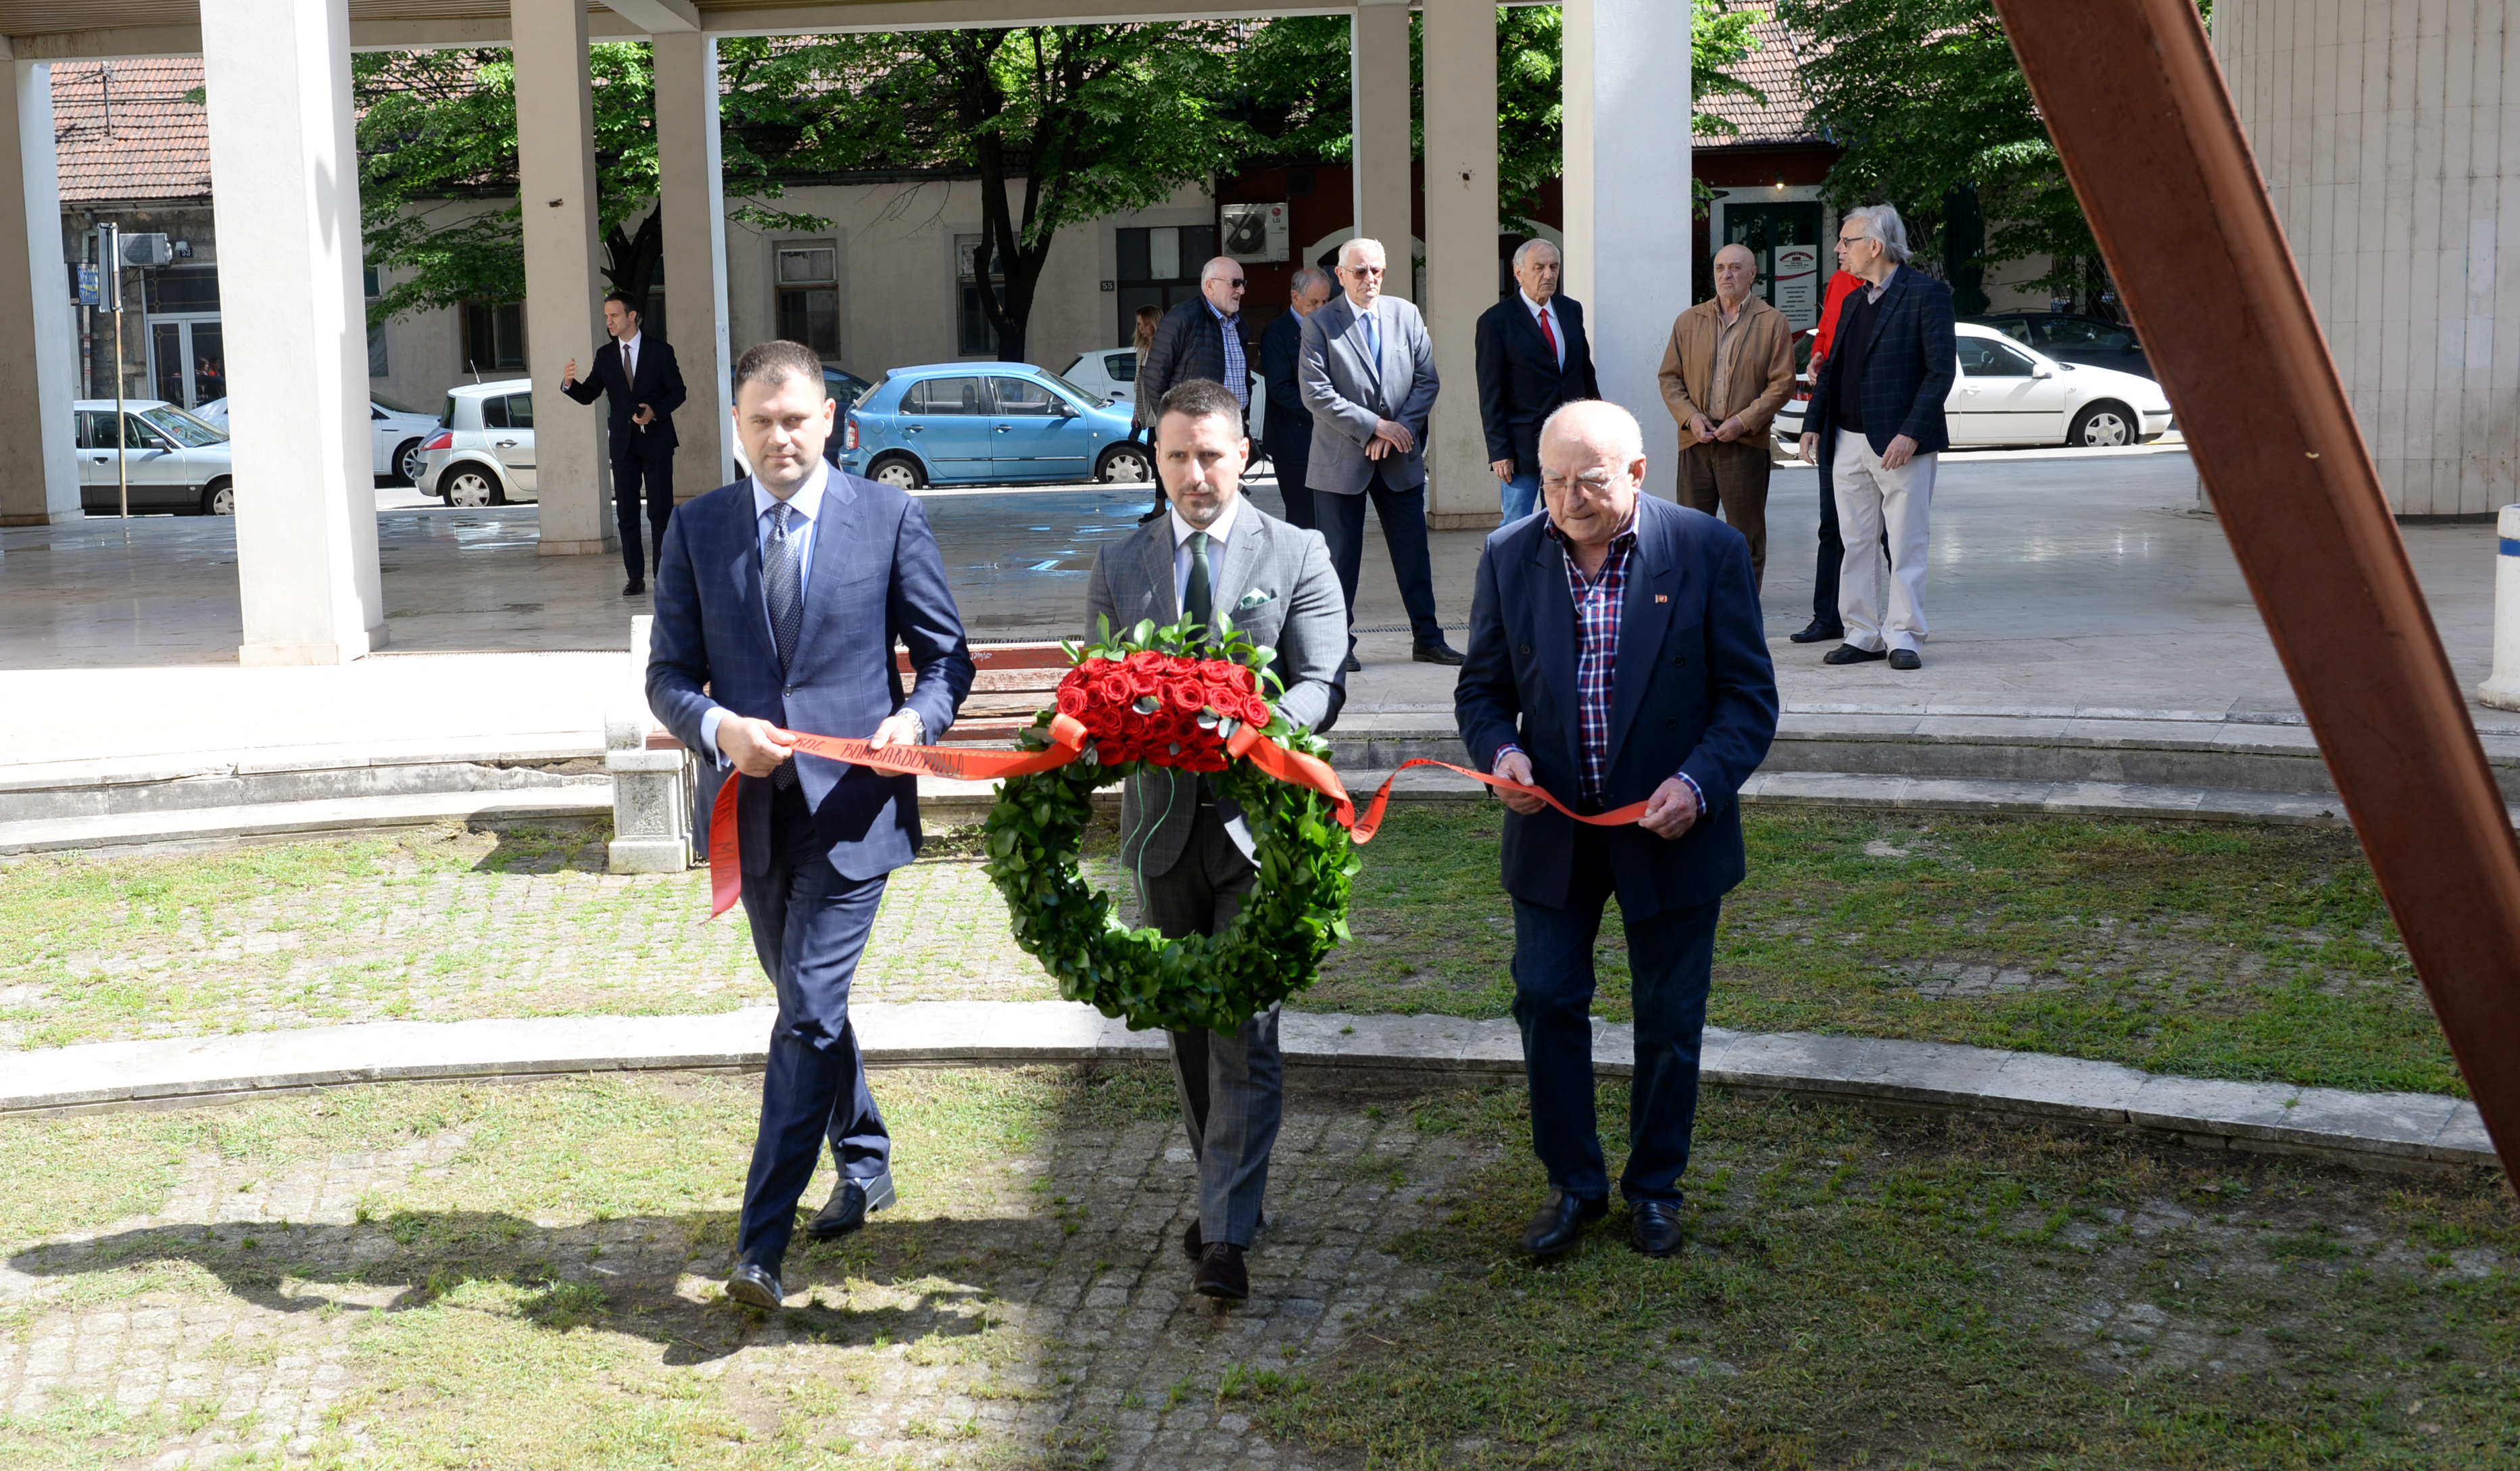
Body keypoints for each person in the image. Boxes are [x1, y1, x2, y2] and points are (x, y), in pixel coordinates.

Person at [646, 339, 976, 1312]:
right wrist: (717, 728)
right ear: (738, 426)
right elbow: (667, 675)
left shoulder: (889, 515)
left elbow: (948, 658)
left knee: (803, 1013)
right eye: (762, 422)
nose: (780, 437)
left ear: (830, 419)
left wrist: (914, 722)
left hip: (855, 816)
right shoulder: (698, 528)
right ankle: (865, 1159)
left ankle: (758, 1247)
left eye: (797, 419)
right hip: (753, 815)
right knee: (810, 1004)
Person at [1453, 399, 1778, 1262]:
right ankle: (1573, 1183)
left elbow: (1748, 698)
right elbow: (1480, 691)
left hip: (1669, 831)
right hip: (1553, 829)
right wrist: (1502, 756)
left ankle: (1654, 1188)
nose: (1566, 500)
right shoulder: (1508, 555)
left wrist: (1698, 784)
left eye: (1589, 482)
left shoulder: (1705, 551)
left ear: (1636, 474)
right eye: (1553, 481)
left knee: (1668, 1016)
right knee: (1546, 999)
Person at [1084, 377, 1347, 1302]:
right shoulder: (1120, 563)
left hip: (1256, 833)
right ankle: (1224, 1185)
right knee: (1188, 1022)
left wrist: (1264, 727)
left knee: (1246, 1025)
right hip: (1160, 831)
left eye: (1210, 454)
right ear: (1156, 461)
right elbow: (1098, 689)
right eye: (1177, 457)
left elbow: (1324, 680)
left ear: (1244, 454)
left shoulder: (1300, 550)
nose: (1195, 474)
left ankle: (1226, 1234)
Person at [1798, 203, 1956, 671]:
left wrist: (1911, 433)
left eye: (1846, 241)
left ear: (1874, 245)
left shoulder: (1927, 295)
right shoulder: (1851, 299)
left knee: (1907, 541)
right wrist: (1812, 424)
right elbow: (1832, 371)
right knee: (1856, 540)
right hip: (1847, 439)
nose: (1838, 249)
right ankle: (1863, 633)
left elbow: (1939, 372)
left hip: (1899, 444)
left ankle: (1904, 635)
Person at [1298, 237, 1461, 669]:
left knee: (1414, 556)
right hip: (1340, 461)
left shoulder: (1405, 314)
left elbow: (1427, 380)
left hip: (1398, 458)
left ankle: (1428, 639)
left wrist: (1395, 431)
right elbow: (1316, 394)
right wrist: (1374, 426)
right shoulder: (1319, 324)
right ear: (1340, 275)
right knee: (1339, 560)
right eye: (1360, 271)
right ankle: (1338, 646)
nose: (1370, 279)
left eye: (1377, 271)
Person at [1657, 243, 1795, 589]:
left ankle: (1741, 613)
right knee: (1689, 534)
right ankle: (1692, 608)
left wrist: (1743, 421)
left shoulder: (1772, 322)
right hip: (1697, 441)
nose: (1726, 275)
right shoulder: (1689, 321)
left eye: (1735, 268)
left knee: (1745, 538)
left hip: (1745, 443)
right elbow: (1670, 378)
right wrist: (1690, 417)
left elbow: (1781, 385)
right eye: (1720, 268)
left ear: (1753, 274)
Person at [563, 291, 689, 596]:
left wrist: (653, 412)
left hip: (657, 442)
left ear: (632, 316)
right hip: (623, 445)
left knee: (660, 513)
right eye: (607, 316)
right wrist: (569, 384)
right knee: (627, 515)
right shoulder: (606, 356)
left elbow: (678, 391)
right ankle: (635, 578)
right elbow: (589, 393)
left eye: (615, 315)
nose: (609, 321)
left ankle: (663, 576)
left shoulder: (660, 351)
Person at [1475, 239, 1599, 524]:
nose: (1548, 275)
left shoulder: (1570, 310)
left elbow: (1584, 373)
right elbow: (1490, 393)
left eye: (1554, 267)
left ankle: (1556, 570)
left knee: (1568, 521)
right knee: (1517, 527)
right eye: (1539, 267)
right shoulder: (1496, 322)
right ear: (1518, 273)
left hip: (1570, 442)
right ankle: (1509, 570)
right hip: (1522, 450)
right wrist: (1499, 451)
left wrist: (1599, 429)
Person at [1138, 259, 1255, 524]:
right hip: (1195, 436)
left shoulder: (1237, 324)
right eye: (1235, 283)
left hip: (1230, 433)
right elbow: (1155, 377)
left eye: (1243, 283)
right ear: (1210, 286)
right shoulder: (1183, 318)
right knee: (1198, 512)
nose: (1242, 290)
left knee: (1225, 512)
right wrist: (1174, 427)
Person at [1790, 266, 1867, 644]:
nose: (1839, 250)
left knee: (1888, 536)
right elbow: (1826, 343)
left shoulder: (1902, 289)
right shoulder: (1839, 282)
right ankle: (1828, 617)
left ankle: (1900, 623)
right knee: (1831, 526)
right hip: (1837, 420)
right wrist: (1816, 356)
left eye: (1845, 241)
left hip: (1880, 429)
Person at [1259, 268, 1335, 530]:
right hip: (1294, 443)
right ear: (1295, 297)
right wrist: (1324, 411)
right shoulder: (1277, 334)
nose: (1321, 307)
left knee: (1331, 518)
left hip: (1328, 439)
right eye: (1314, 302)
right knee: (1304, 518)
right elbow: (1280, 389)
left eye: (1325, 301)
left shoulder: (1330, 328)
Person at [1130, 304, 1163, 446]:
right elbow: (1139, 384)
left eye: (1146, 324)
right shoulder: (1141, 351)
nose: (1141, 328)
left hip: (1162, 409)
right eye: (1139, 324)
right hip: (1148, 410)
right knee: (1152, 456)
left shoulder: (1165, 348)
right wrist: (1137, 412)